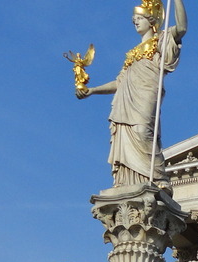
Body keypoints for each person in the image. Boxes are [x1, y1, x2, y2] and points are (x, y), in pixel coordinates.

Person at [76, 0, 188, 187]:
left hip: (146, 92)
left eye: (139, 18)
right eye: (133, 19)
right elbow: (120, 82)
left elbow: (182, 27)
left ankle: (159, 178)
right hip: (125, 100)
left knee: (143, 131)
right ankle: (128, 181)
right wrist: (92, 91)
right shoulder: (131, 54)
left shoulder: (162, 40)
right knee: (126, 135)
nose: (135, 22)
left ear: (150, 20)